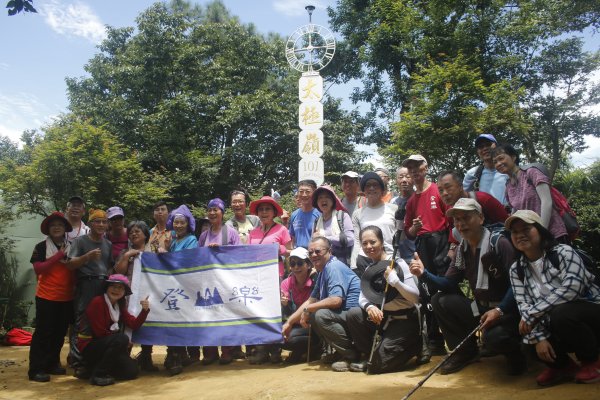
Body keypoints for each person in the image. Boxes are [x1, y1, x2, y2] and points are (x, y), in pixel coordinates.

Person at [410, 198, 525, 375]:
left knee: (495, 338)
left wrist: (500, 310)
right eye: (457, 220)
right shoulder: (461, 249)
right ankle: (465, 352)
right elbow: (448, 283)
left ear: (480, 218)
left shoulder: (499, 243)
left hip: (506, 311)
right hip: (480, 309)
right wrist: (424, 274)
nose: (461, 224)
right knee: (439, 300)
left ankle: (516, 352)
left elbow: (517, 285)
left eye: (466, 218)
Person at [506, 210, 600, 386]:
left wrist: (533, 312)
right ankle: (563, 367)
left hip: (589, 313)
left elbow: (573, 288)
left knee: (562, 314)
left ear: (541, 230)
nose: (520, 235)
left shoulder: (563, 252)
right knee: (528, 339)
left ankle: (591, 362)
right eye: (515, 232)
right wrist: (539, 337)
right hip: (554, 319)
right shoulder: (516, 269)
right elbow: (523, 303)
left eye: (526, 229)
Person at [346, 226, 421, 374]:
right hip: (385, 319)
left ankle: (416, 344)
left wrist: (396, 282)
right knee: (354, 314)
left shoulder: (398, 264)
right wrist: (369, 307)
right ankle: (369, 353)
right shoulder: (370, 270)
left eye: (373, 242)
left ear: (381, 242)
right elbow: (362, 297)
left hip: (405, 319)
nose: (369, 247)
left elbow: (415, 297)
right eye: (364, 243)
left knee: (375, 367)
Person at [283, 237, 361, 372]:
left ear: (329, 251)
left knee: (320, 315)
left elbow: (336, 301)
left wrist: (308, 309)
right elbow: (311, 300)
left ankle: (350, 355)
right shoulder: (322, 271)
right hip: (343, 315)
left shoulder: (333, 267)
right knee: (316, 313)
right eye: (311, 252)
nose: (314, 255)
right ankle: (341, 352)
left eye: (318, 251)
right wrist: (289, 322)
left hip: (354, 316)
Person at [402, 154, 449, 360]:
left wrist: (453, 246)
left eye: (417, 166)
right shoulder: (412, 200)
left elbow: (451, 218)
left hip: (441, 242)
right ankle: (434, 340)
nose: (414, 171)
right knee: (426, 291)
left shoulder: (438, 191)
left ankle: (456, 336)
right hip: (422, 245)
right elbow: (408, 232)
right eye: (410, 168)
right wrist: (414, 227)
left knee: (446, 286)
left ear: (425, 167)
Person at [77, 274, 150, 386]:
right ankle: (98, 374)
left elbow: (133, 324)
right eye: (113, 286)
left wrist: (144, 310)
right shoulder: (97, 302)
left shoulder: (120, 304)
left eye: (120, 288)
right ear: (107, 288)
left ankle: (92, 369)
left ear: (124, 292)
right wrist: (121, 341)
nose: (116, 290)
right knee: (121, 339)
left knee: (131, 371)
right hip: (89, 346)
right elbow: (99, 332)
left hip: (107, 344)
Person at [28, 212, 75, 382]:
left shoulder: (72, 246)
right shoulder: (41, 247)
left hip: (66, 297)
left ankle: (52, 363)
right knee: (43, 333)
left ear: (65, 229)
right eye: (53, 225)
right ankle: (36, 369)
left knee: (59, 333)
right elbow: (38, 269)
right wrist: (57, 257)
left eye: (60, 225)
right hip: (46, 296)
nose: (57, 227)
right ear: (48, 229)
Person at [66, 208, 113, 372]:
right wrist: (87, 257)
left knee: (99, 323)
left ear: (107, 225)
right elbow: (70, 264)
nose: (101, 224)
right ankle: (78, 362)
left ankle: (93, 360)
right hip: (85, 284)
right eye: (97, 221)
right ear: (90, 223)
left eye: (104, 222)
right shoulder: (80, 241)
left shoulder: (108, 244)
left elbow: (109, 267)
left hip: (102, 285)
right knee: (82, 323)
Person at [247, 196, 292, 364]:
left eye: (267, 209)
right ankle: (261, 350)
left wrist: (277, 248)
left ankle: (275, 350)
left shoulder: (281, 230)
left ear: (274, 212)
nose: (264, 212)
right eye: (261, 209)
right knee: (259, 313)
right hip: (256, 278)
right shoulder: (253, 232)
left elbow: (290, 252)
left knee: (276, 313)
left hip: (276, 276)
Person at [492, 143, 567, 242]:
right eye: (495, 162)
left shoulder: (531, 173)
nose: (498, 163)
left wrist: (542, 232)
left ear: (513, 157)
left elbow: (547, 202)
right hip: (531, 240)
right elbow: (515, 211)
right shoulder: (508, 186)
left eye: (501, 158)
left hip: (553, 234)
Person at [198, 198, 241, 365]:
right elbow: (199, 257)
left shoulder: (230, 232)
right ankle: (209, 351)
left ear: (222, 213)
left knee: (225, 314)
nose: (212, 213)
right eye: (210, 210)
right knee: (208, 314)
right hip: (207, 280)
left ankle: (227, 350)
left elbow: (238, 255)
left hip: (225, 280)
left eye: (216, 210)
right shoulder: (203, 236)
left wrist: (221, 251)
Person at [113, 220, 158, 372]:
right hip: (128, 296)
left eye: (137, 231)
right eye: (131, 232)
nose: (133, 234)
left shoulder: (153, 252)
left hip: (149, 294)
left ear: (146, 235)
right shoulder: (125, 252)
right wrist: (127, 257)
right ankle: (123, 358)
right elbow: (118, 273)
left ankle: (146, 357)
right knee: (126, 325)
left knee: (148, 323)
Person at [163, 204, 198, 375]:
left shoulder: (191, 240)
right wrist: (167, 249)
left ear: (188, 223)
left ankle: (178, 355)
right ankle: (176, 352)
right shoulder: (172, 240)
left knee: (182, 319)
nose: (178, 225)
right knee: (172, 317)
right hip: (171, 287)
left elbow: (186, 261)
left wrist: (167, 254)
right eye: (176, 222)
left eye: (182, 222)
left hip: (185, 286)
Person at [350, 172, 398, 277]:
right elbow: (357, 241)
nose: (371, 188)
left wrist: (398, 257)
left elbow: (399, 236)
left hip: (390, 257)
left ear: (382, 189)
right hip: (366, 260)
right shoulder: (357, 213)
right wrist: (354, 264)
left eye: (375, 185)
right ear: (364, 190)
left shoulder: (394, 209)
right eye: (368, 185)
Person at [280, 247, 319, 364]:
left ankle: (310, 351)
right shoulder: (286, 283)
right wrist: (284, 303)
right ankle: (302, 352)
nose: (296, 267)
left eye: (300, 263)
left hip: (312, 326)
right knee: (277, 335)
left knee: (291, 337)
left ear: (308, 264)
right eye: (292, 264)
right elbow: (284, 307)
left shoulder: (316, 281)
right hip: (294, 324)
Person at [311, 185, 354, 265]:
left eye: (327, 197)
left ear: (333, 200)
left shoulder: (342, 216)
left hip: (341, 263)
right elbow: (312, 244)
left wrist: (324, 238)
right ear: (317, 203)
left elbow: (350, 240)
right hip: (322, 265)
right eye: (320, 198)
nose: (323, 200)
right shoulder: (316, 221)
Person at [463, 134, 508, 205]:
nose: (485, 148)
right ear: (478, 151)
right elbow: (464, 196)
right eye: (481, 147)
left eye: (488, 145)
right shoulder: (473, 173)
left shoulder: (508, 169)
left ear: (496, 146)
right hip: (485, 215)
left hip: (511, 214)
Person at [391, 166, 416, 264]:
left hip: (416, 255)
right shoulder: (392, 202)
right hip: (397, 255)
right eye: (401, 177)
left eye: (408, 176)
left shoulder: (419, 198)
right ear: (396, 180)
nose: (404, 180)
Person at [288, 180, 321, 249]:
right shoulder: (294, 214)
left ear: (314, 193)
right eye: (301, 191)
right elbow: (292, 238)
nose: (304, 194)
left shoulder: (320, 213)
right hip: (298, 255)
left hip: (315, 254)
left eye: (308, 192)